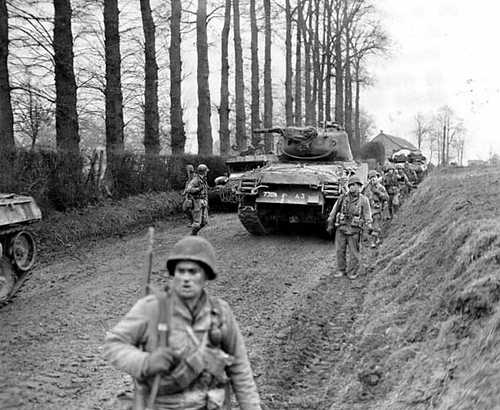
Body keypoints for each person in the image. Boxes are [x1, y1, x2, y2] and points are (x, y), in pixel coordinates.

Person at [104, 236, 262, 410]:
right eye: (181, 271)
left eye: (193, 272)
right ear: (173, 274)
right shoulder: (152, 308)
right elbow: (114, 344)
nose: (186, 278)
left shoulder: (220, 312)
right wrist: (146, 362)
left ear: (206, 275)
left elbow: (240, 368)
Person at [327, 175, 372, 280]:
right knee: (339, 251)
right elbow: (334, 211)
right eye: (350, 185)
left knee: (354, 252)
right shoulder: (342, 198)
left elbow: (367, 216)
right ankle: (340, 270)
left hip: (354, 230)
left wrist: (368, 229)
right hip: (341, 229)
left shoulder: (364, 200)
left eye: (354, 185)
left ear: (359, 187)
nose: (352, 187)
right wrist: (330, 223)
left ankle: (352, 271)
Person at [362, 170, 389, 248]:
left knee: (375, 226)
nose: (373, 179)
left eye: (375, 177)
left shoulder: (381, 187)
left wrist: (378, 192)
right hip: (368, 210)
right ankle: (373, 239)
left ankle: (373, 242)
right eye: (371, 178)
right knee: (368, 227)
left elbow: (386, 197)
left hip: (376, 209)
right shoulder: (366, 188)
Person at [186, 164, 209, 235]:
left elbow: (205, 191)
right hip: (197, 202)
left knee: (204, 222)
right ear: (204, 172)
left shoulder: (203, 179)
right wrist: (198, 189)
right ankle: (192, 235)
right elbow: (188, 189)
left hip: (203, 202)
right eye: (206, 171)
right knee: (197, 223)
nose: (207, 172)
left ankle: (193, 234)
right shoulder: (195, 180)